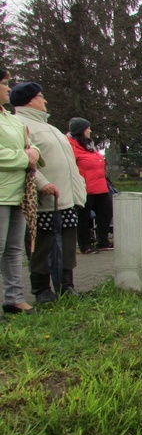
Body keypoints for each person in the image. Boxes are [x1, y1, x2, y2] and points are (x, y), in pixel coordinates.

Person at [11, 82, 87, 303]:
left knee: (67, 243)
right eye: (41, 96)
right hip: (45, 199)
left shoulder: (51, 128)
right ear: (30, 100)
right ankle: (42, 289)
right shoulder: (20, 124)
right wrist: (41, 182)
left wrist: (78, 186)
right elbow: (25, 159)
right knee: (42, 244)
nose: (45, 101)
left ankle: (66, 285)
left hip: (66, 197)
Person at [0, 68, 41, 316]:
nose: (7, 88)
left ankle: (14, 299)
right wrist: (24, 157)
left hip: (18, 194)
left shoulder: (12, 118)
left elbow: (28, 143)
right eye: (4, 83)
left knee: (14, 249)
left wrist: (33, 152)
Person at [67, 117, 113, 253]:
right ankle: (85, 245)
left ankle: (102, 240)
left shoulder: (89, 146)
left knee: (106, 212)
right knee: (83, 218)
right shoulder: (71, 146)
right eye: (88, 128)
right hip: (84, 188)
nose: (90, 130)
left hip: (100, 187)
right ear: (81, 130)